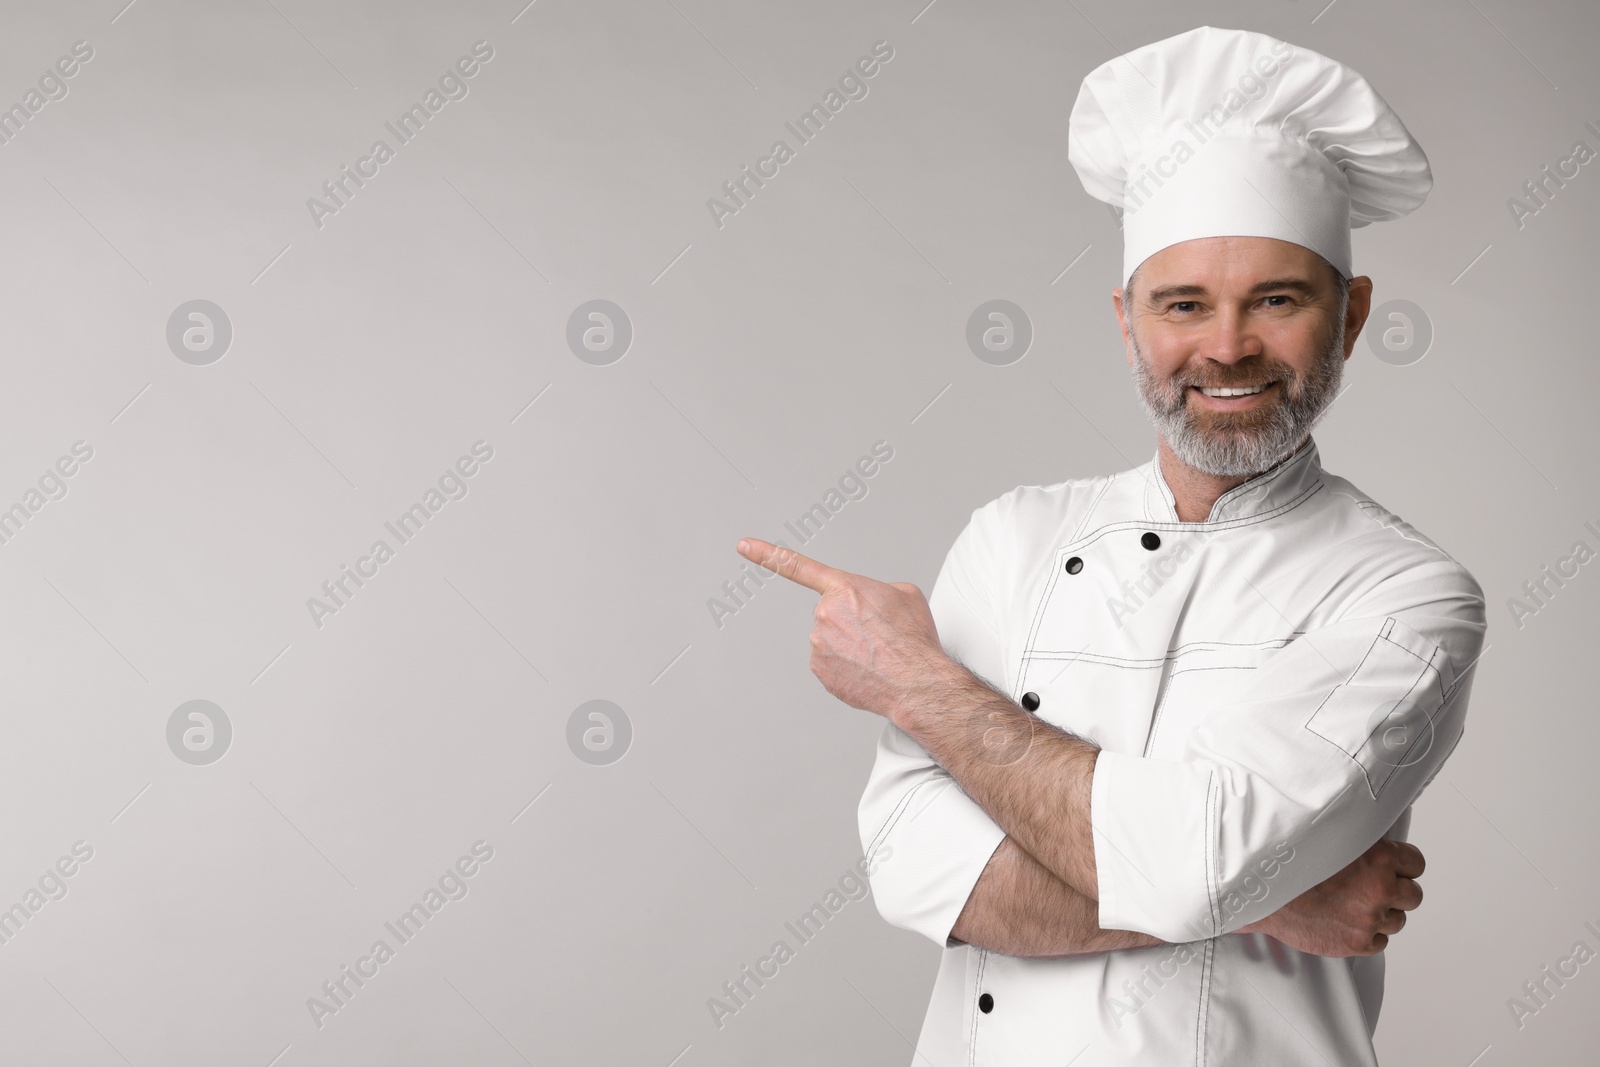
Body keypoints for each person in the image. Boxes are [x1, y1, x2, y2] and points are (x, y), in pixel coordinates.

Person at [734, 24, 1487, 1066]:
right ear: (1127, 321)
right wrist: (1268, 899)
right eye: (1184, 304)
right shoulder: (1012, 537)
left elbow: (1191, 866)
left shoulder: (1405, 595)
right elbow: (914, 864)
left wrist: (914, 681)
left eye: (1276, 298)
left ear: (1351, 316)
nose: (1226, 346)